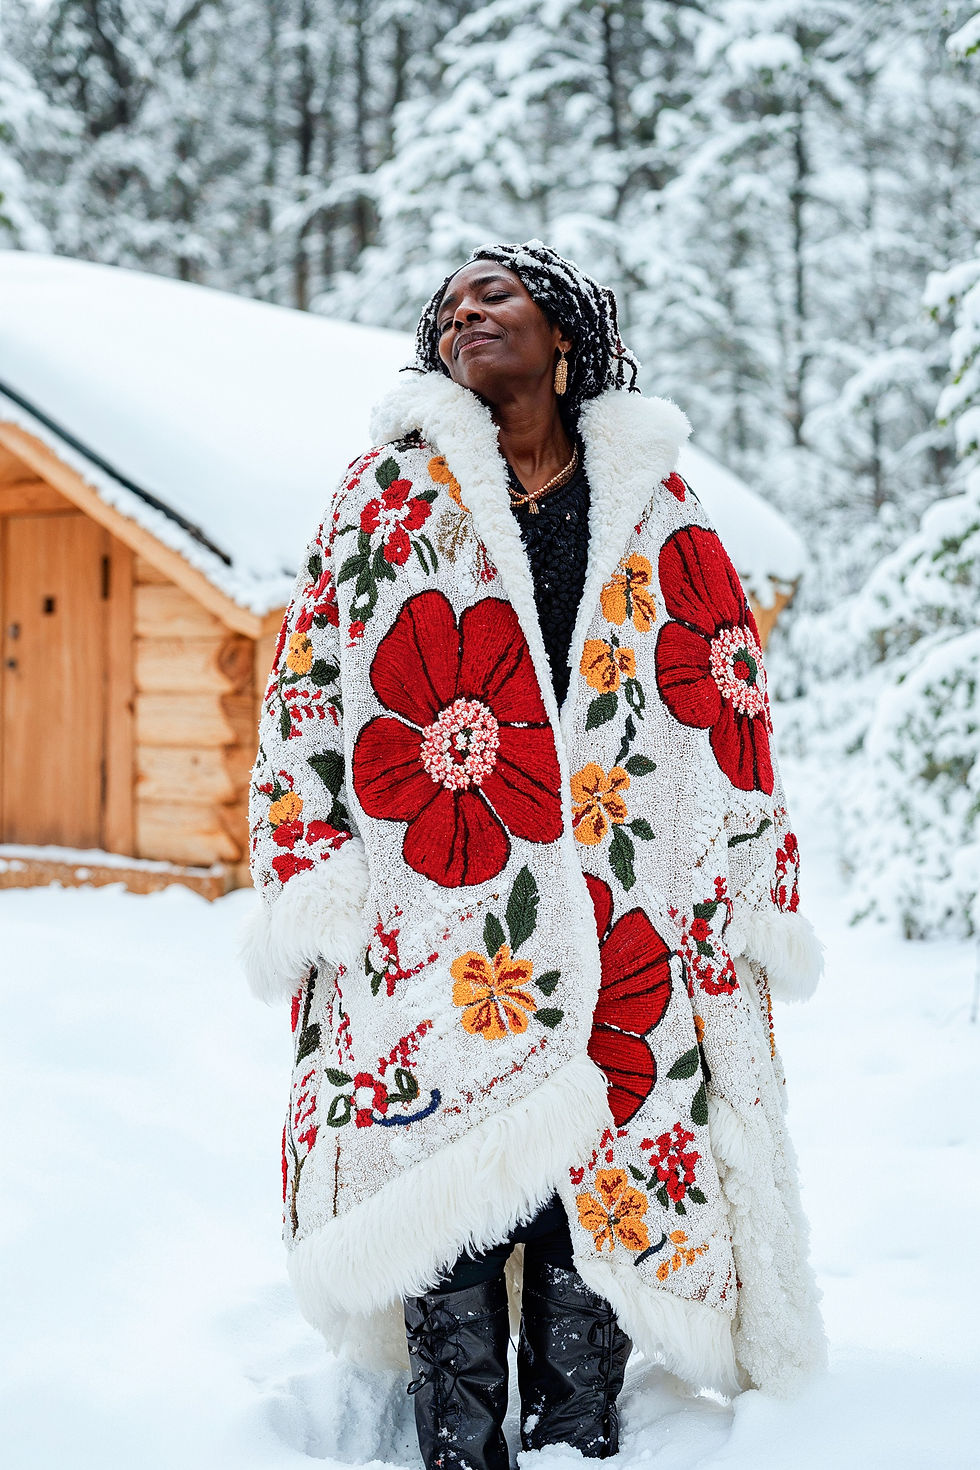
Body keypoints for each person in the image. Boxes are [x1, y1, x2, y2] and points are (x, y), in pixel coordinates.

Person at [244, 241, 826, 1469]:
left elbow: (727, 700)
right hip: (441, 897)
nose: (465, 315)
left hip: (622, 903)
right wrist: (312, 870)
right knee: (442, 1174)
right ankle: (459, 1448)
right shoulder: (386, 495)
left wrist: (746, 886)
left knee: (591, 1190)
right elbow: (305, 692)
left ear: (562, 335)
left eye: (491, 295)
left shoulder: (658, 504)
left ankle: (576, 1437)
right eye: (447, 307)